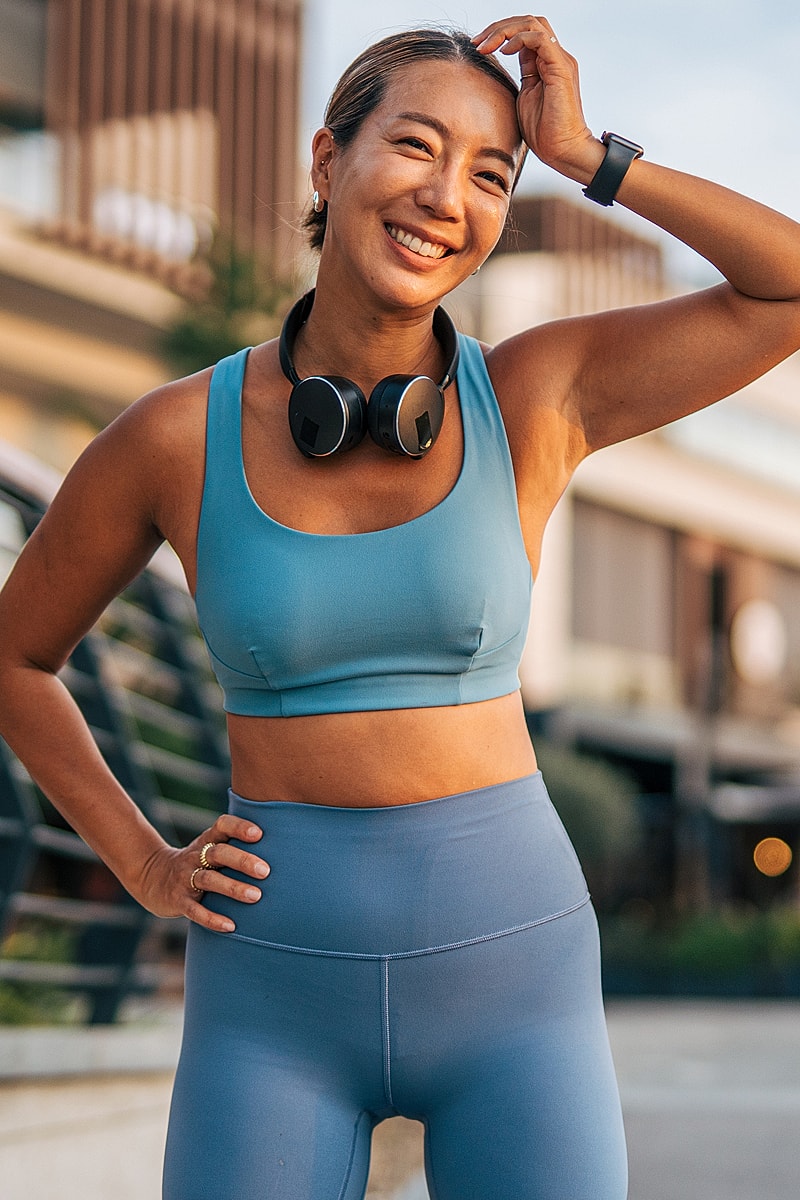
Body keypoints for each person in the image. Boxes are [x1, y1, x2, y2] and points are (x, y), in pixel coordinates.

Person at [1, 13, 799, 1199]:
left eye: (490, 172)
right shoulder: (173, 439)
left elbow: (781, 289)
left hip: (512, 984)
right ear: (328, 162)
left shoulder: (535, 396)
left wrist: (589, 160)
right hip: (269, 995)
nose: (446, 196)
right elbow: (17, 659)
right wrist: (145, 866)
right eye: (415, 146)